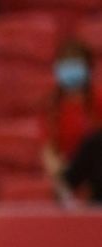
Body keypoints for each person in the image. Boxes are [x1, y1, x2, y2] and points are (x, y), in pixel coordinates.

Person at [42, 39, 100, 192]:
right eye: (66, 65)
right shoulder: (52, 107)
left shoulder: (99, 100)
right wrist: (59, 174)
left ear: (88, 68)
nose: (71, 70)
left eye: (76, 65)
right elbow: (48, 152)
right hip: (68, 172)